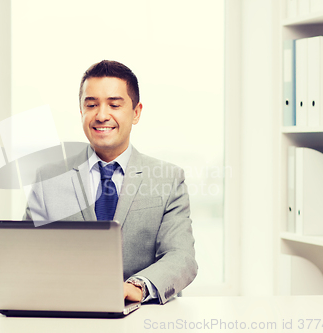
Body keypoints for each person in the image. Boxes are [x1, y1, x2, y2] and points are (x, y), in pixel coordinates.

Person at [24, 60, 197, 304]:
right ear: (81, 111)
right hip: (67, 312)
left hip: (140, 313)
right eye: (91, 105)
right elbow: (26, 255)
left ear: (136, 112)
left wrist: (135, 287)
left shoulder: (168, 179)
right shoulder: (49, 178)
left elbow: (181, 257)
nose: (102, 115)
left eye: (114, 104)